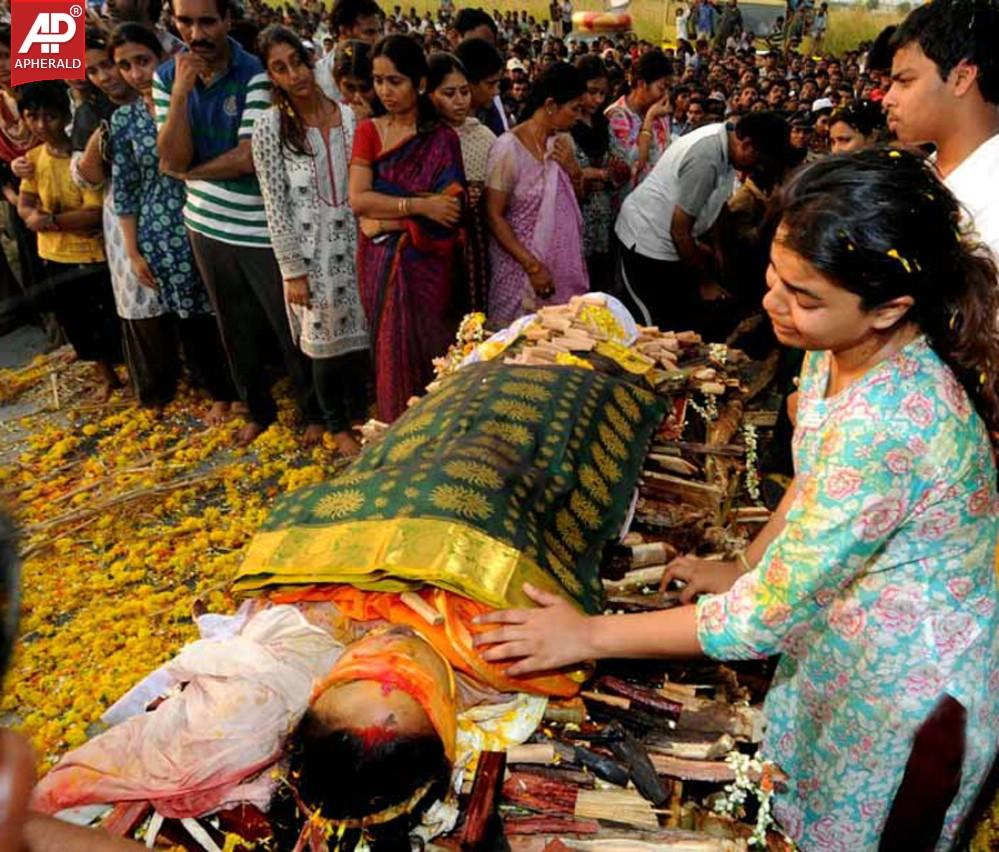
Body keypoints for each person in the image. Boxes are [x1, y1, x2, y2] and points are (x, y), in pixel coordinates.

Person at [477, 149, 999, 852]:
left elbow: (759, 622)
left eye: (804, 297)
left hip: (908, 695)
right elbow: (816, 480)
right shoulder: (835, 351)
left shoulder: (891, 423)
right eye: (776, 278)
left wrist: (588, 634)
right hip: (846, 646)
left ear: (888, 308)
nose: (772, 304)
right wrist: (751, 561)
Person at [154, 0, 321, 445]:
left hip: (259, 229)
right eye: (185, 22)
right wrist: (180, 95)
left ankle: (314, 411)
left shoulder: (255, 73)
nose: (197, 33)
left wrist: (188, 171)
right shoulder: (168, 77)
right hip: (205, 225)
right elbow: (168, 154)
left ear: (227, 21)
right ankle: (257, 409)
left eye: (207, 21)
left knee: (288, 326)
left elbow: (248, 157)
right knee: (233, 325)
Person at [253, 26, 368, 454]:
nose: (295, 75)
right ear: (273, 78)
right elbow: (274, 204)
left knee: (357, 336)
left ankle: (358, 412)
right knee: (322, 342)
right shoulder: (269, 127)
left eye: (297, 63)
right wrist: (292, 271)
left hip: (354, 245)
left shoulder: (350, 115)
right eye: (280, 69)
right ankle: (335, 424)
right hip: (308, 251)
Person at [108, 24, 234, 411]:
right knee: (191, 318)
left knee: (227, 307)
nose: (135, 73)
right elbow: (126, 189)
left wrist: (178, 95)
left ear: (163, 58)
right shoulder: (124, 121)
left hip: (211, 216)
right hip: (160, 234)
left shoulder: (194, 101)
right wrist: (132, 251)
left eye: (142, 61)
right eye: (125, 66)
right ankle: (220, 393)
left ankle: (247, 391)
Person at [348, 34, 466, 423]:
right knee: (390, 347)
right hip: (381, 263)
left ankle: (434, 432)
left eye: (394, 81)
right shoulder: (369, 131)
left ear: (418, 83)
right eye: (378, 81)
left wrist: (386, 220)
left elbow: (449, 211)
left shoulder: (442, 139)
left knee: (431, 349)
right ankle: (395, 430)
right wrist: (417, 207)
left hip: (428, 269)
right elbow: (358, 199)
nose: (385, 91)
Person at [614, 112, 788, 337]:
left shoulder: (728, 144)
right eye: (759, 161)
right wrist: (705, 282)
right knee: (652, 328)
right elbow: (679, 230)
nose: (757, 169)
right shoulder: (707, 156)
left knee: (678, 322)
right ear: (747, 145)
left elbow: (714, 206)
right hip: (646, 240)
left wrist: (717, 251)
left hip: (671, 239)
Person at [16, 82, 123, 400]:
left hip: (91, 256)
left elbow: (93, 213)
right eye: (32, 117)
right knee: (77, 322)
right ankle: (106, 376)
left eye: (48, 117)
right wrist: (31, 217)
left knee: (108, 319)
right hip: (55, 255)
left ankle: (129, 369)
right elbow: (25, 204)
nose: (39, 125)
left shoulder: (81, 159)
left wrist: (48, 220)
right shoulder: (32, 158)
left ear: (65, 117)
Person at [883, 0, 999, 260]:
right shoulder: (924, 174)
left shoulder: (992, 206)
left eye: (904, 81)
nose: (887, 99)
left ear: (961, 78)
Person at [484, 62, 588, 327]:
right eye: (574, 109)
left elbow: (576, 203)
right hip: (518, 273)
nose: (577, 117)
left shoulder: (561, 143)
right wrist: (533, 266)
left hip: (559, 273)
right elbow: (494, 215)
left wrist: (574, 170)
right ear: (551, 105)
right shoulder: (509, 148)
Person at [428, 51, 496, 313]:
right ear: (429, 94)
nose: (459, 101)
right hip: (433, 246)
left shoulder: (482, 136)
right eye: (449, 93)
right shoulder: (421, 138)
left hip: (477, 244)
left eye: (464, 92)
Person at [571, 55, 628, 287]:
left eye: (603, 94)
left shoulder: (602, 125)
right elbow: (570, 173)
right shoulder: (566, 124)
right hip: (576, 219)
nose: (597, 99)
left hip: (603, 219)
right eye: (592, 91)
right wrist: (601, 174)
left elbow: (622, 166)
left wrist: (598, 175)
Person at [604, 49, 672, 192]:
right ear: (641, 84)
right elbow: (632, 165)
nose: (665, 95)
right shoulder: (617, 115)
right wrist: (649, 119)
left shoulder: (660, 114)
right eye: (661, 88)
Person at [313, 0, 382, 103]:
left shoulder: (381, 69)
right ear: (344, 31)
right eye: (369, 32)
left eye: (379, 32)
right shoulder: (318, 77)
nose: (377, 39)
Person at [454, 37, 507, 136]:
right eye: (490, 84)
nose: (496, 92)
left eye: (497, 84)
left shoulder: (490, 113)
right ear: (467, 83)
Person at [329, 39, 376, 118]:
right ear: (337, 82)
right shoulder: (332, 115)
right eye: (350, 88)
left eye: (364, 88)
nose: (357, 97)